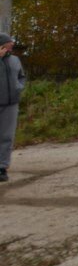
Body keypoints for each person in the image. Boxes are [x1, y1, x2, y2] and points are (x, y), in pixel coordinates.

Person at [0, 33, 25, 182]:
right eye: (9, 42)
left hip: (11, 103)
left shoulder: (15, 60)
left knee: (7, 137)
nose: (12, 43)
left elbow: (22, 76)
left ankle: (2, 167)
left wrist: (19, 87)